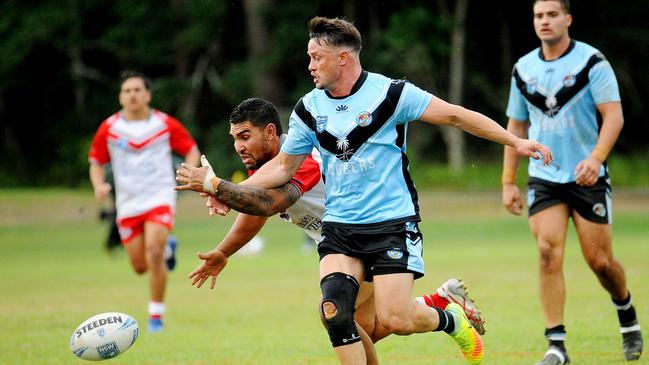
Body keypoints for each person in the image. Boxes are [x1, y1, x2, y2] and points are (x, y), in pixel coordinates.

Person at [179, 17, 553, 364]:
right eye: (308, 56)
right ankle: (441, 307)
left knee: (394, 319)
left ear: (343, 58)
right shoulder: (308, 108)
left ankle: (446, 316)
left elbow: (455, 115)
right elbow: (280, 168)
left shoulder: (391, 94)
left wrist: (514, 142)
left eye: (316, 57)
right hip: (340, 228)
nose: (309, 65)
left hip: (391, 222)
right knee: (334, 314)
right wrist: (223, 190)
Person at [176, 97, 486, 364]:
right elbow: (255, 213)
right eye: (234, 138)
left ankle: (445, 314)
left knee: (336, 314)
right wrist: (223, 250)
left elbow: (270, 204)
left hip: (370, 237)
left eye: (245, 136)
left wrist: (217, 187)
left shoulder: (303, 158)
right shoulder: (261, 166)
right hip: (343, 249)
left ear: (270, 132)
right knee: (368, 329)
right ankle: (443, 306)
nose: (238, 146)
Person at [501, 1, 643, 364]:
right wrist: (508, 181)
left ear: (568, 19)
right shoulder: (523, 69)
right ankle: (556, 345)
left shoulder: (592, 62)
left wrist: (596, 158)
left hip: (586, 176)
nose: (544, 21)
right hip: (544, 177)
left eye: (551, 14)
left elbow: (613, 116)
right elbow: (516, 128)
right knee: (548, 253)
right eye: (538, 15)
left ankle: (625, 311)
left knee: (600, 261)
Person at [88, 70, 200, 332]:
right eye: (127, 91)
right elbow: (95, 161)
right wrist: (99, 185)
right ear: (120, 97)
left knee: (154, 252)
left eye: (137, 90)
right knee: (140, 266)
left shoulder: (163, 123)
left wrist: (189, 173)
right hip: (128, 203)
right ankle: (169, 248)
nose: (132, 95)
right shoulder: (110, 127)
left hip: (159, 196)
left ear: (147, 95)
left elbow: (191, 148)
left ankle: (155, 316)